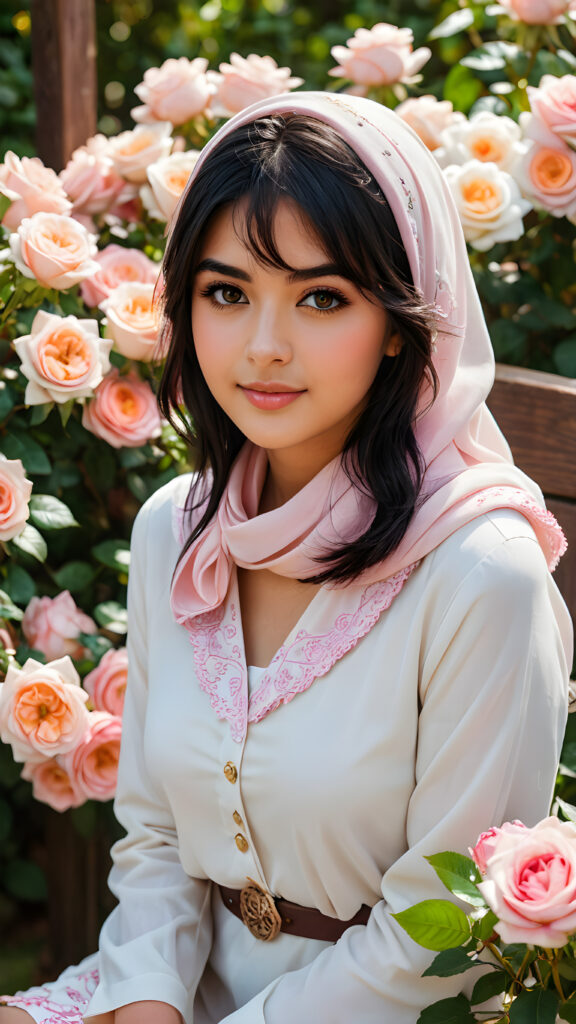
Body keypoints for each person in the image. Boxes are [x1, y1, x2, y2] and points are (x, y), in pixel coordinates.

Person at [0, 91, 572, 1024]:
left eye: (321, 297)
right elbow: (153, 835)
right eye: (227, 293)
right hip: (176, 995)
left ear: (399, 320)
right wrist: (149, 1004)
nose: (264, 348)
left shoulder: (482, 574)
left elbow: (447, 942)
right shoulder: (175, 527)